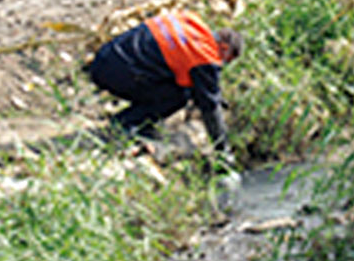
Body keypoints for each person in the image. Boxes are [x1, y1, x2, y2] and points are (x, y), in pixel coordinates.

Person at [88, 10, 243, 155]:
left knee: (172, 80)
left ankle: (144, 124)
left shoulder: (189, 20)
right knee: (180, 95)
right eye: (225, 60)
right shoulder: (205, 55)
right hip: (117, 74)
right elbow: (210, 107)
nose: (221, 64)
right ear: (224, 48)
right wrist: (223, 150)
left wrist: (212, 93)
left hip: (105, 58)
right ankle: (123, 125)